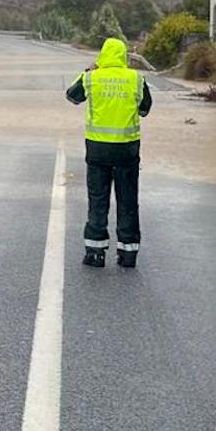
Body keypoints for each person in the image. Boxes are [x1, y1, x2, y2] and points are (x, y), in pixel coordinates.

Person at [66, 38, 153, 268]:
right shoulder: (136, 79)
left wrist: (89, 69)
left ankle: (95, 252)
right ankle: (128, 254)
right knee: (128, 202)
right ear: (124, 56)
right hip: (127, 151)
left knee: (98, 200)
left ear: (102, 55)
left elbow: (72, 96)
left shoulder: (91, 78)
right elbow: (145, 109)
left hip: (97, 151)